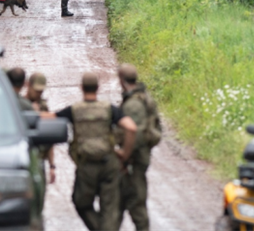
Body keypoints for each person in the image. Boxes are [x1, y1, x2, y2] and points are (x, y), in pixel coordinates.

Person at [42, 72, 137, 231]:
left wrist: (30, 113)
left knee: (81, 202)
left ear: (81, 88)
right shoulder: (109, 109)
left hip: (86, 165)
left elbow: (51, 116)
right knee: (109, 207)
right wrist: (124, 155)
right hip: (109, 163)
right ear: (98, 88)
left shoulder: (74, 110)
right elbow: (131, 128)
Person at [115, 64, 162, 231]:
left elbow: (135, 135)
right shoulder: (143, 97)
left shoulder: (133, 104)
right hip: (139, 156)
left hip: (134, 159)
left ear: (121, 79)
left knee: (135, 202)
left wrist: (124, 157)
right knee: (125, 200)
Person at [26, 72, 56, 184]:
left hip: (39, 162)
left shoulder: (43, 107)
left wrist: (52, 166)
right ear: (28, 85)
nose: (39, 94)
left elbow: (49, 137)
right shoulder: (18, 105)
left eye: (41, 91)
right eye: (36, 90)